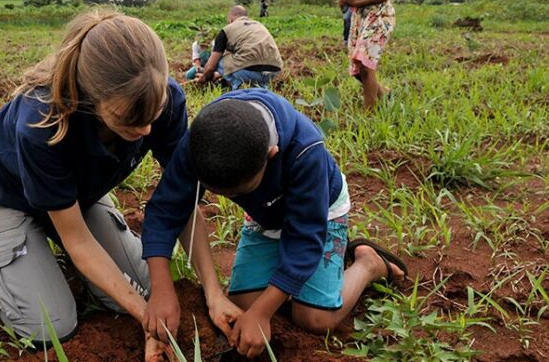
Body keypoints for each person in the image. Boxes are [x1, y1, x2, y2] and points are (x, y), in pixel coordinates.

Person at [0, 11, 223, 360]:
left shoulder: (162, 98)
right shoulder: (43, 122)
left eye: (153, 116)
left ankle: (47, 265)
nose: (145, 131)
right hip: (4, 200)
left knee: (144, 286)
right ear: (91, 100)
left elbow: (184, 200)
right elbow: (78, 239)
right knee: (50, 325)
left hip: (76, 198)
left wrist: (213, 291)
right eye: (128, 121)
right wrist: (147, 318)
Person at [141, 89, 408, 358]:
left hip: (321, 213)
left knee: (315, 319)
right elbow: (165, 209)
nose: (233, 198)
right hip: (265, 216)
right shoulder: (202, 141)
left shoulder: (306, 151)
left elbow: (305, 239)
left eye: (239, 192)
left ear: (271, 154)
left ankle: (368, 264)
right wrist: (162, 288)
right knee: (242, 303)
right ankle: (297, 281)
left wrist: (263, 312)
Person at [195, 5, 283, 90]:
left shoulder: (227, 30)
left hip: (249, 71)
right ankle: (261, 88)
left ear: (230, 19)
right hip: (274, 70)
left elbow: (211, 67)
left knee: (218, 60)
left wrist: (204, 78)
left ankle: (238, 86)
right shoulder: (260, 25)